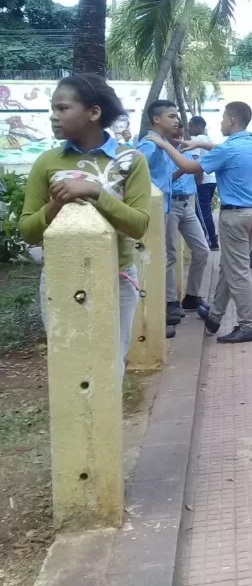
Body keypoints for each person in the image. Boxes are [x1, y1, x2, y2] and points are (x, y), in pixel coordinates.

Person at [20, 74, 151, 375]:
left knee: (109, 368)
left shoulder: (131, 160)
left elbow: (139, 225)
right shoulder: (46, 162)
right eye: (53, 109)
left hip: (117, 279)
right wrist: (56, 203)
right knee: (68, 367)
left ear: (93, 113)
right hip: (60, 278)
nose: (54, 117)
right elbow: (28, 232)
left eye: (63, 108)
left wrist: (95, 192)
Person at [157, 102, 252, 344]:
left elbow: (189, 167)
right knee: (230, 265)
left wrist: (165, 145)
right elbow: (222, 149)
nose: (220, 123)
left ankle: (247, 325)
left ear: (232, 121)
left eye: (223, 118)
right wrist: (200, 144)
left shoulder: (228, 149)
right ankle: (215, 316)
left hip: (236, 217)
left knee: (238, 271)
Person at [136, 100, 181, 327]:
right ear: (156, 119)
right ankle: (156, 314)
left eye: (176, 116)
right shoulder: (150, 145)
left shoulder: (162, 144)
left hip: (164, 209)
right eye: (171, 116)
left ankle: (166, 305)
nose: (177, 121)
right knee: (153, 260)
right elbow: (133, 171)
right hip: (151, 212)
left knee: (165, 256)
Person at [165, 123, 210, 330]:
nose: (179, 136)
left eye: (181, 133)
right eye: (175, 133)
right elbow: (162, 181)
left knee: (202, 250)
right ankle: (170, 301)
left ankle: (192, 295)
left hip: (187, 203)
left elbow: (198, 180)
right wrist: (184, 169)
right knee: (170, 253)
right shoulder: (161, 152)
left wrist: (197, 168)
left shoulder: (188, 151)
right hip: (170, 203)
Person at [189, 116, 219, 251]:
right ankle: (210, 237)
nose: (189, 129)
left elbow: (195, 161)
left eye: (191, 126)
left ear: (198, 127)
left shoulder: (196, 141)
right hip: (211, 179)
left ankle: (211, 240)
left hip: (202, 180)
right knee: (205, 211)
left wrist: (196, 179)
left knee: (202, 212)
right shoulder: (208, 140)